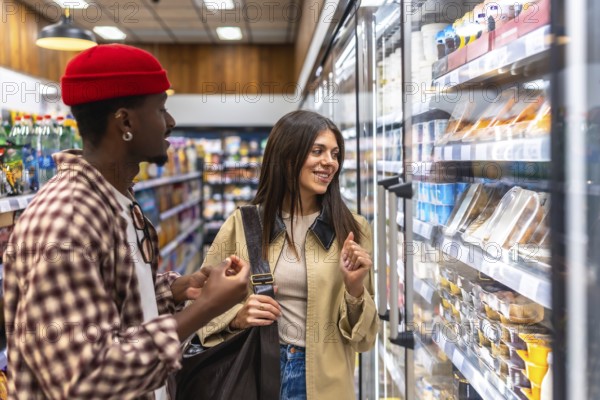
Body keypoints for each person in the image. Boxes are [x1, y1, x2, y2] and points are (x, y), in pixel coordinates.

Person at [2, 44, 250, 399]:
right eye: (161, 109)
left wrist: (178, 291)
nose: (171, 122)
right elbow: (86, 378)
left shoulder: (114, 199)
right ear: (126, 122)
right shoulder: (65, 221)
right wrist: (205, 309)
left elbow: (113, 309)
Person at [198, 110, 379, 399]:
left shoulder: (352, 229)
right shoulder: (243, 224)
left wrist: (355, 288)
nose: (329, 162)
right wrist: (237, 318)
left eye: (334, 154)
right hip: (255, 371)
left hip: (323, 381)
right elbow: (202, 301)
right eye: (317, 151)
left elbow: (364, 338)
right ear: (286, 156)